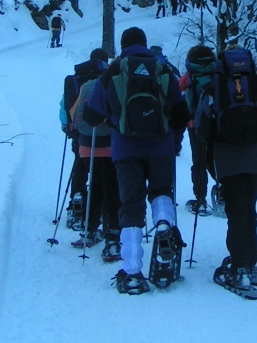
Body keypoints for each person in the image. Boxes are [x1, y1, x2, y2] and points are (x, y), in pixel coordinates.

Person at [84, 27, 190, 294]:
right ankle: (163, 225)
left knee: (131, 204)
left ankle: (132, 273)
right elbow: (181, 114)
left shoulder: (114, 70)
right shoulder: (162, 69)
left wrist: (112, 118)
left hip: (126, 148)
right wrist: (173, 140)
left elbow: (91, 115)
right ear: (144, 43)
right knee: (161, 191)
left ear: (123, 45)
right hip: (161, 147)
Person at [195, 47, 257, 290]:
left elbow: (201, 127)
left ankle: (240, 268)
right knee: (249, 208)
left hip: (228, 158)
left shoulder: (213, 89)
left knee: (236, 211)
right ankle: (249, 262)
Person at [69, 61, 121, 260]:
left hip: (87, 145)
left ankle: (89, 229)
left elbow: (74, 113)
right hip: (112, 145)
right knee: (112, 189)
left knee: (96, 186)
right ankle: (113, 234)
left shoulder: (86, 86)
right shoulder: (116, 83)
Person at [59, 49, 110, 229]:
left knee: (80, 163)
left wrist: (66, 126)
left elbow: (64, 105)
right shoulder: (107, 78)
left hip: (78, 131)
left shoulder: (76, 78)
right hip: (103, 134)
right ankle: (102, 208)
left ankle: (77, 195)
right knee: (102, 171)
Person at [178, 45, 218, 215]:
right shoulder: (217, 74)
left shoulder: (189, 76)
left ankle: (200, 200)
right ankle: (223, 193)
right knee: (214, 159)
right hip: (216, 124)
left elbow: (177, 93)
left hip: (195, 125)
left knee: (199, 161)